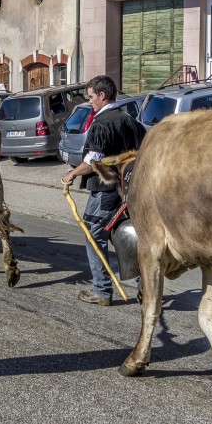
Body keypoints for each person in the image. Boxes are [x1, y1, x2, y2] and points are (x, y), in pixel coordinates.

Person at [60, 75, 146, 306]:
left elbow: (92, 162)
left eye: (91, 97)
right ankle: (144, 284)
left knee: (93, 236)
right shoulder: (130, 120)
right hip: (128, 189)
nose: (89, 102)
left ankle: (102, 290)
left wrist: (71, 174)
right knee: (123, 234)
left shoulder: (102, 123)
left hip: (105, 190)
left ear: (102, 95)